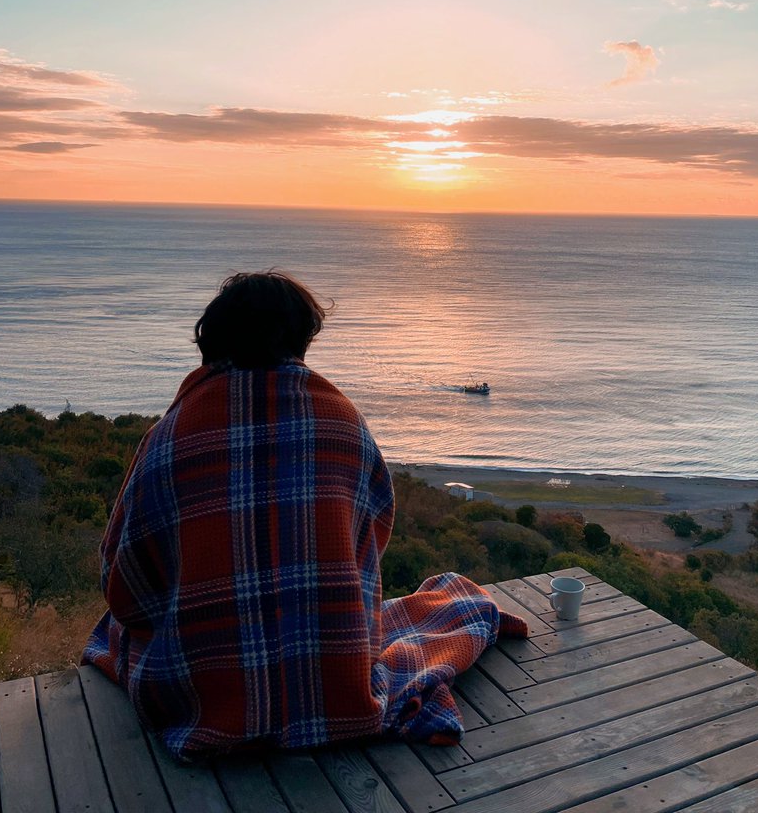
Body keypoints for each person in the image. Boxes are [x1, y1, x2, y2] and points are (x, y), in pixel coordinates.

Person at [83, 270, 527, 761]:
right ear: (301, 338)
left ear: (214, 339)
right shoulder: (343, 421)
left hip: (205, 699)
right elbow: (372, 542)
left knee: (111, 630)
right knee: (440, 604)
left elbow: (123, 589)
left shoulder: (170, 438)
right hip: (335, 684)